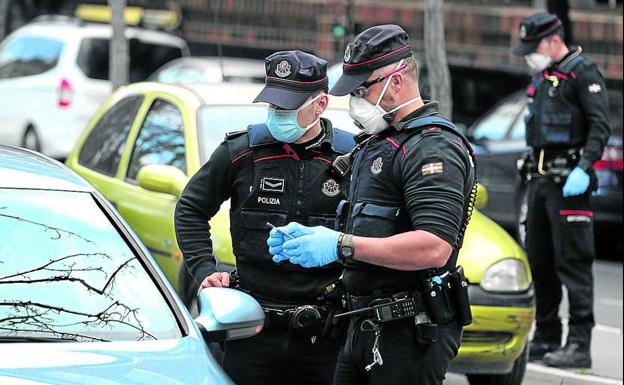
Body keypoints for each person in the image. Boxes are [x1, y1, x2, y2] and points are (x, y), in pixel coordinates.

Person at [267, 25, 476, 385]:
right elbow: (367, 227)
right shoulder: (378, 143)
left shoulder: (432, 148)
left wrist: (340, 245)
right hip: (364, 324)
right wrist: (319, 239)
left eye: (363, 89)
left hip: (409, 332)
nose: (356, 101)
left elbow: (434, 247)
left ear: (396, 81)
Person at [174, 50, 355, 385]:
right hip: (252, 328)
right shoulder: (241, 153)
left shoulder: (351, 159)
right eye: (273, 105)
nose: (278, 114)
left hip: (325, 333)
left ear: (321, 105)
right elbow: (190, 208)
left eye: (287, 107)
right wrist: (204, 269)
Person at [513, 13, 610, 368]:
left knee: (574, 264)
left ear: (554, 40)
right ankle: (546, 337)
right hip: (538, 184)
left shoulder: (582, 73)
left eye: (533, 46)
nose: (529, 55)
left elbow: (600, 127)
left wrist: (584, 169)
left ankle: (579, 344)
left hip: (569, 185)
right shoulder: (542, 79)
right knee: (540, 262)